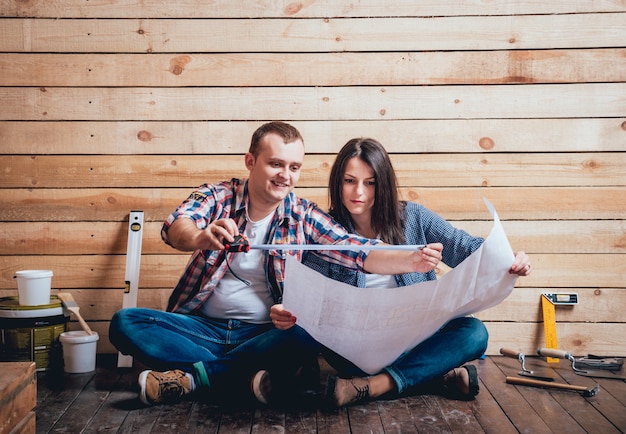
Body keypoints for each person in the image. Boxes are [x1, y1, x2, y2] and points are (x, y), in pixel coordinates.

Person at [109, 123, 442, 407]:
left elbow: (357, 251)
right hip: (201, 331)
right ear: (250, 161)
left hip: (268, 335)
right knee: (126, 323)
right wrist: (200, 238)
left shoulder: (304, 215)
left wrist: (410, 259)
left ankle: (200, 379)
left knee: (308, 332)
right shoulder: (218, 196)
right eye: (276, 164)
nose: (285, 176)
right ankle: (240, 379)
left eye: (294, 167)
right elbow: (176, 226)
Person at [270, 137, 532, 408]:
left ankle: (370, 387)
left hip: (416, 339)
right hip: (355, 348)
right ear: (338, 182)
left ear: (382, 184)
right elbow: (309, 292)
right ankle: (433, 377)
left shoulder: (413, 217)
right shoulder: (324, 229)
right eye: (349, 180)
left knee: (475, 333)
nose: (358, 191)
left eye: (370, 183)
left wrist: (510, 259)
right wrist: (288, 308)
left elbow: (467, 248)